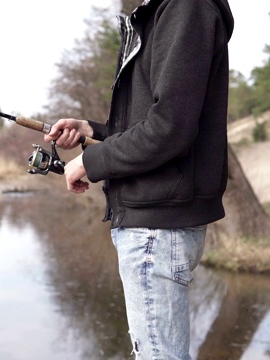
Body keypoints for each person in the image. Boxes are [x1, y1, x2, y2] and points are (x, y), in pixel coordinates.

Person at [44, 0, 234, 359]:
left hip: (155, 231)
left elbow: (170, 129)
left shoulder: (186, 8)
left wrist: (90, 161)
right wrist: (92, 131)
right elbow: (151, 123)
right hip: (153, 225)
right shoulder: (167, 11)